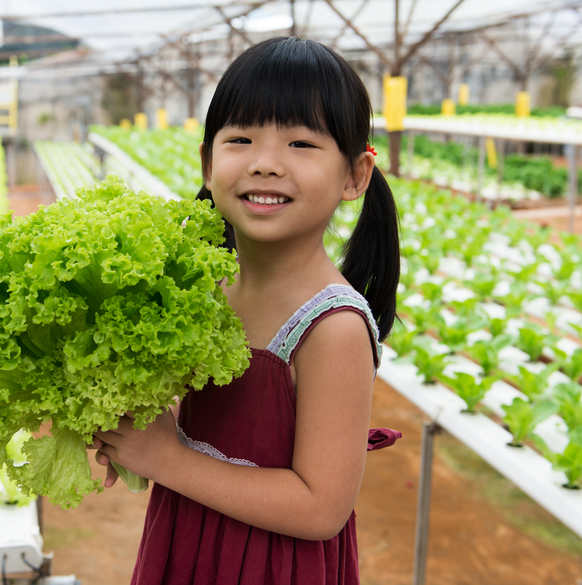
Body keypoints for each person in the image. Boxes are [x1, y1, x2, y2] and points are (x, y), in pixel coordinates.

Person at [91, 36, 402, 585]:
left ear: (355, 176)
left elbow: (321, 509)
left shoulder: (333, 328)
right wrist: (124, 427)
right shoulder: (207, 285)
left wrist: (166, 459)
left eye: (301, 144)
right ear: (209, 164)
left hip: (272, 566)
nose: (264, 163)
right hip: (189, 536)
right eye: (241, 138)